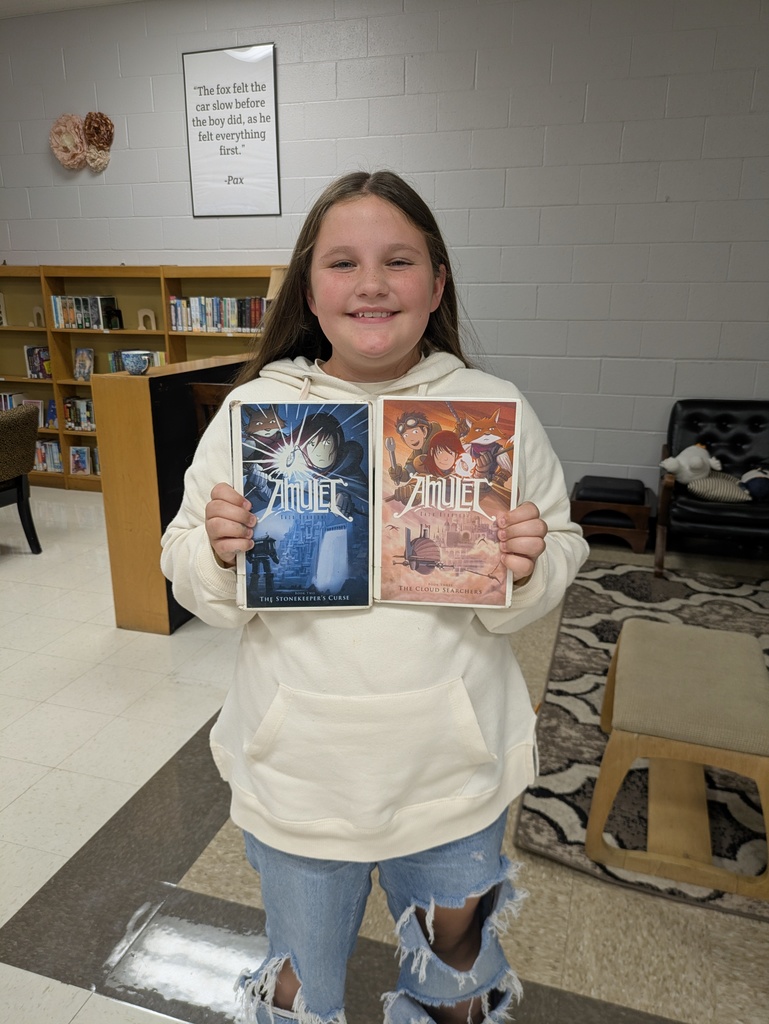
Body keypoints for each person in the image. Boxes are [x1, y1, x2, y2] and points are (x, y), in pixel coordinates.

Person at [160, 170, 588, 1024]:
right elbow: (186, 565)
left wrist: (526, 564)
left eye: (398, 260)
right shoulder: (259, 411)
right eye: (342, 262)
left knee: (454, 984)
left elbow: (560, 543)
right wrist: (214, 553)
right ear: (308, 289)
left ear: (435, 283)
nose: (370, 284)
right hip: (300, 780)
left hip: (451, 777)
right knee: (299, 985)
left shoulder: (491, 409)